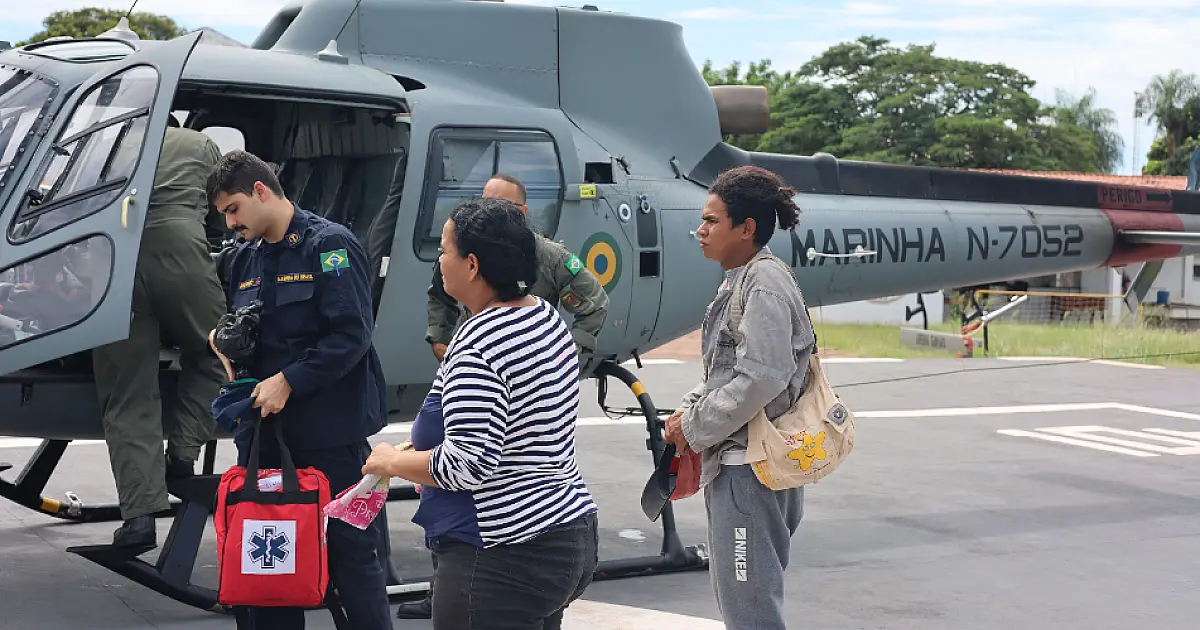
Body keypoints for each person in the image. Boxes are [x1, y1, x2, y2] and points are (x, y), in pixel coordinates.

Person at [363, 196, 599, 630]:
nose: (440, 261)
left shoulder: (480, 343)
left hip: (500, 556)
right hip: (565, 533)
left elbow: (469, 464)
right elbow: (524, 420)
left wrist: (391, 462)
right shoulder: (542, 316)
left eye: (445, 251)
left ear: (472, 265)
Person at [206, 150, 392, 630]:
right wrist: (227, 350)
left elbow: (351, 335)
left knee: (352, 559)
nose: (230, 223)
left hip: (329, 436)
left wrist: (290, 380)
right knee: (268, 568)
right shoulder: (244, 258)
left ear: (262, 191)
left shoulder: (328, 246)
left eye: (233, 209)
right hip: (265, 439)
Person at [663, 165, 814, 630]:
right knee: (741, 599)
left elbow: (760, 379)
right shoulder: (743, 278)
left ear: (746, 228)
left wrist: (691, 427)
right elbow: (725, 373)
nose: (700, 230)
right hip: (741, 463)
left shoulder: (763, 284)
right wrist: (689, 410)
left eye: (712, 221)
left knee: (750, 609)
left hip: (749, 470)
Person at [93, 123, 228, 549]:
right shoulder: (198, 143)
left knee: (127, 392)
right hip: (180, 253)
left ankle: (139, 519)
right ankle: (183, 457)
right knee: (219, 354)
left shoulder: (104, 142)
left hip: (112, 262)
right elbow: (222, 211)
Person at [425, 173, 608, 369]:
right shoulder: (464, 247)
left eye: (501, 206)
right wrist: (440, 338)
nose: (490, 211)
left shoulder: (548, 256)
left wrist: (566, 354)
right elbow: (440, 291)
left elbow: (595, 303)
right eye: (485, 203)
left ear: (522, 212)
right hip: (475, 358)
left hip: (528, 366)